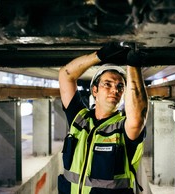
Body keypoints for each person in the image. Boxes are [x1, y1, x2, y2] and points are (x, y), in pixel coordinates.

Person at [58, 42, 148, 194]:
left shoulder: (122, 128)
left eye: (120, 87)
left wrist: (132, 65)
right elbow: (65, 75)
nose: (115, 90)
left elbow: (138, 116)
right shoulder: (79, 119)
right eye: (108, 84)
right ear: (95, 90)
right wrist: (99, 55)